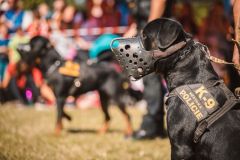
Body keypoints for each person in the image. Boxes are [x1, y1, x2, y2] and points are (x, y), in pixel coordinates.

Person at [124, 0, 174, 140]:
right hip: (152, 28)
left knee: (151, 78)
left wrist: (149, 31)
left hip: (158, 30)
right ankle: (156, 126)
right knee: (151, 78)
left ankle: (151, 126)